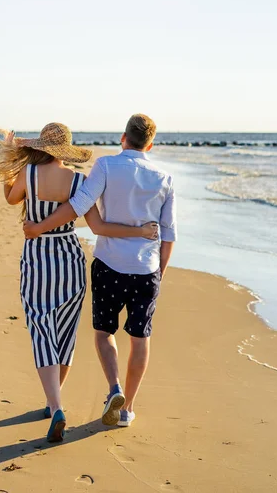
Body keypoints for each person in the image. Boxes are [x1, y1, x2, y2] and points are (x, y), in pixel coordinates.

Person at [0, 122, 157, 443]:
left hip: (38, 258)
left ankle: (56, 406)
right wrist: (140, 232)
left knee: (41, 327)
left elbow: (11, 200)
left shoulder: (28, 176)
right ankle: (51, 401)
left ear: (41, 148)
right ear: (66, 151)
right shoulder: (80, 181)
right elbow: (98, 225)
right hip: (70, 257)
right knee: (65, 332)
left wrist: (9, 162)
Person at [23, 114, 177, 428]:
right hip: (146, 269)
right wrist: (159, 271)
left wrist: (39, 227)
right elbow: (169, 232)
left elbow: (78, 206)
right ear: (150, 143)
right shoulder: (164, 177)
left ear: (124, 138)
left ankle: (114, 388)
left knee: (105, 333)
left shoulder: (106, 166)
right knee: (140, 338)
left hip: (109, 265)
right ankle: (126, 410)